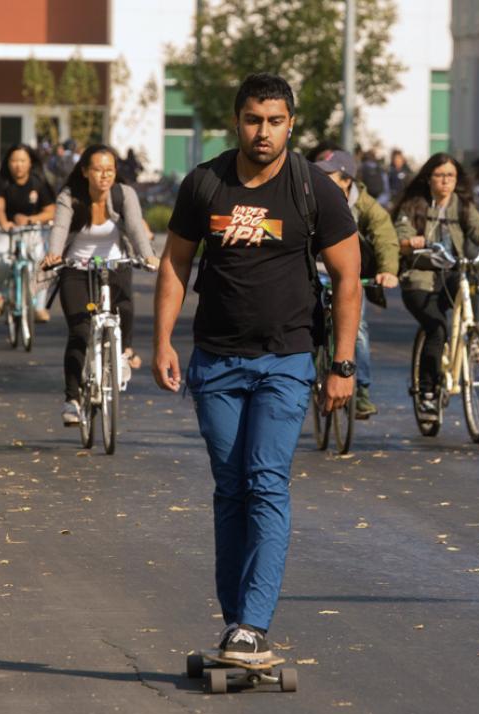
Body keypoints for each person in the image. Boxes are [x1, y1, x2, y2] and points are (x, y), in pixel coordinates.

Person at [153, 73, 361, 661]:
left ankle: (254, 623)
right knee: (230, 489)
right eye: (252, 120)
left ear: (290, 123)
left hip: (286, 360)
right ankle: (236, 623)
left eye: (274, 121)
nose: (262, 131)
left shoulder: (313, 189)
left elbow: (348, 278)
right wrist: (162, 339)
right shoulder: (206, 184)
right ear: (237, 121)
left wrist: (341, 364)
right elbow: (175, 264)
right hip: (216, 361)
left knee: (266, 482)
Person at [393, 153, 479, 422]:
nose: (445, 181)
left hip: (453, 272)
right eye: (440, 175)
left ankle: (471, 337)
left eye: (450, 175)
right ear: (428, 178)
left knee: (471, 286)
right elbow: (400, 236)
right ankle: (427, 392)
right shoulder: (414, 205)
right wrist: (410, 242)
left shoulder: (461, 205)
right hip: (420, 277)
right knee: (436, 329)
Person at [42, 144, 159, 426]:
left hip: (115, 264)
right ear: (84, 172)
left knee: (126, 310)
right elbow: (59, 229)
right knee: (80, 332)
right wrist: (54, 254)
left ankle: (124, 352)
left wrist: (147, 255)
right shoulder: (70, 197)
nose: (104, 175)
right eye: (97, 169)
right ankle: (71, 400)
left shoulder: (124, 194)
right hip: (76, 268)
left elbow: (134, 227)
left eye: (110, 170)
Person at [314, 149, 400, 419]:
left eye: (328, 175)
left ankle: (361, 389)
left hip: (350, 274)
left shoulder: (367, 207)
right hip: (314, 270)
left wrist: (387, 271)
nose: (322, 179)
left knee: (357, 328)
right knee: (303, 320)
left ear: (346, 180)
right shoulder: (308, 197)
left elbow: (385, 237)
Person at [0, 142, 57, 321]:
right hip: (7, 230)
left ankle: (39, 307)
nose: (18, 165)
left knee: (42, 263)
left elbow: (51, 210)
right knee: (0, 260)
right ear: (8, 162)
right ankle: (0, 295)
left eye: (22, 160)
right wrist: (5, 223)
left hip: (32, 230)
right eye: (14, 160)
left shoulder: (39, 181)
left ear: (30, 163)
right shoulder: (1, 181)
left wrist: (30, 220)